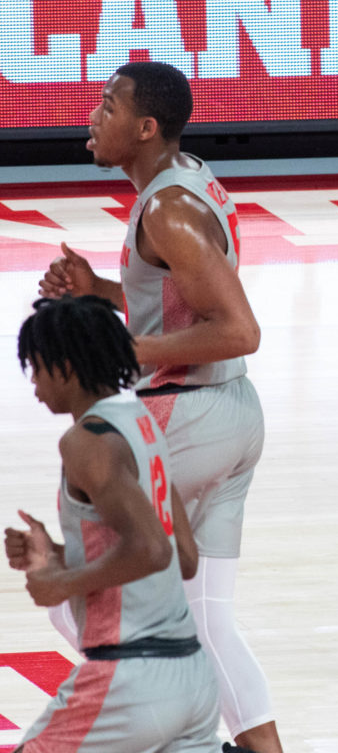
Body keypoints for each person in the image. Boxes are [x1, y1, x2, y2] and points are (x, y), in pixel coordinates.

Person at [37, 62, 282, 753]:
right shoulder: (181, 183)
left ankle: (148, 726)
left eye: (107, 106)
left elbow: (240, 330)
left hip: (187, 416)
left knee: (79, 591)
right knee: (208, 619)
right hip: (229, 414)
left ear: (145, 128)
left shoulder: (168, 209)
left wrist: (112, 348)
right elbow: (182, 302)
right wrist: (104, 292)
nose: (93, 114)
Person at [4, 295, 223, 752]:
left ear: (65, 366)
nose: (33, 383)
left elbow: (153, 551)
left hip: (131, 678)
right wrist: (62, 552)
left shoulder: (86, 441)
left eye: (35, 367)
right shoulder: (143, 424)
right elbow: (183, 557)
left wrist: (62, 581)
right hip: (192, 676)